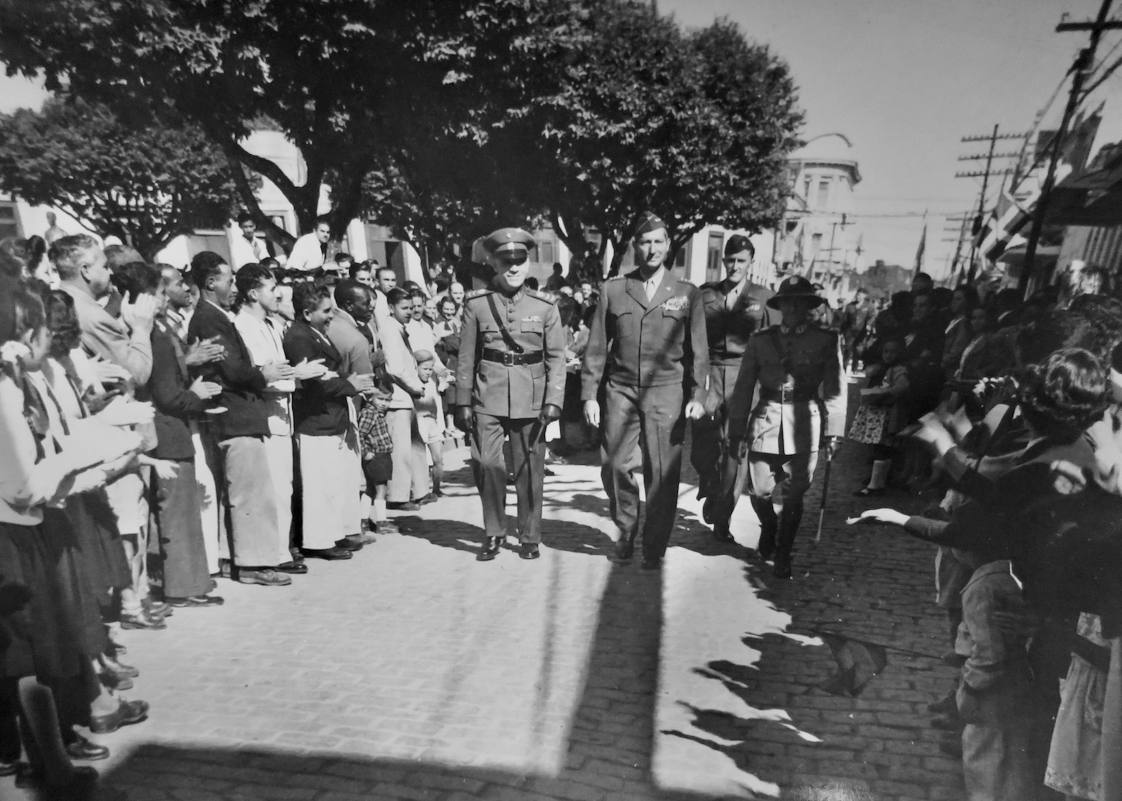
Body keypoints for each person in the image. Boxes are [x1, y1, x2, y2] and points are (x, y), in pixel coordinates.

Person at [581, 213, 708, 570]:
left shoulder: (687, 294)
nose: (651, 249)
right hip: (620, 389)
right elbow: (596, 347)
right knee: (613, 464)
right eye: (645, 242)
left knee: (661, 473)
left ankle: (653, 545)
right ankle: (626, 527)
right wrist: (589, 393)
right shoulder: (613, 290)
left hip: (666, 392)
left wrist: (699, 396)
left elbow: (700, 352)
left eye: (658, 241)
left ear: (669, 247)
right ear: (635, 246)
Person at [455, 228, 566, 561]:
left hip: (531, 396)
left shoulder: (545, 306)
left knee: (530, 468)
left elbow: (557, 357)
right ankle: (494, 531)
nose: (514, 268)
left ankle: (529, 535)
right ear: (494, 263)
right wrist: (462, 401)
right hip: (487, 394)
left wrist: (553, 400)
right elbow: (466, 356)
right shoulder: (477, 304)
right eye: (507, 262)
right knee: (485, 462)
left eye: (520, 261)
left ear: (528, 264)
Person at [726, 275, 846, 579]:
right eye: (787, 302)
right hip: (766, 420)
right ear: (780, 306)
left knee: (794, 495)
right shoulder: (761, 340)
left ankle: (783, 553)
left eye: (799, 302)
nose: (793, 307)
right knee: (759, 491)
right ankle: (769, 526)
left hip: (805, 422)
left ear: (808, 306)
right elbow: (743, 387)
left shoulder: (826, 339)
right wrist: (737, 429)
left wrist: (833, 432)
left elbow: (835, 388)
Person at [187, 252, 294, 587]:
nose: (233, 285)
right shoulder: (209, 319)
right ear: (211, 282)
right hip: (235, 414)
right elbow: (232, 368)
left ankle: (252, 559)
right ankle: (252, 564)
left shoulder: (216, 316)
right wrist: (262, 373)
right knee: (249, 494)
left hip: (242, 413)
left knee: (253, 491)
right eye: (229, 279)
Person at [692, 234, 775, 543]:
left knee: (735, 448)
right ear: (723, 260)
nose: (735, 266)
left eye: (742, 261)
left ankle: (723, 516)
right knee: (702, 442)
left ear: (750, 263)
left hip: (745, 376)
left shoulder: (764, 298)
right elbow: (692, 336)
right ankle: (710, 486)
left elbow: (771, 342)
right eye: (731, 260)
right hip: (710, 373)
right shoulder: (706, 294)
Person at [284, 283, 374, 559]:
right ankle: (319, 541)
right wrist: (349, 384)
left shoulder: (315, 333)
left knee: (331, 482)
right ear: (307, 312)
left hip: (330, 418)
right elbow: (317, 383)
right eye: (325, 311)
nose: (330, 316)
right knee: (318, 485)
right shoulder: (300, 337)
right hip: (314, 420)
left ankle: (334, 534)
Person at [233, 264, 314, 573]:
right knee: (275, 489)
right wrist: (297, 376)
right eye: (271, 288)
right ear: (253, 293)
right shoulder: (244, 326)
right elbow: (261, 374)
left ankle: (282, 548)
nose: (278, 293)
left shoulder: (269, 324)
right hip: (266, 416)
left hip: (282, 415)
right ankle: (276, 553)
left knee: (285, 487)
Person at [380, 287, 428, 511]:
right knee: (401, 451)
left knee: (415, 446)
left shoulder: (400, 328)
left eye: (411, 308)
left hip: (408, 397)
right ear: (391, 308)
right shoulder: (389, 330)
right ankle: (398, 496)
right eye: (404, 308)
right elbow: (395, 369)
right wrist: (416, 387)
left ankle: (420, 490)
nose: (409, 312)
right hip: (398, 397)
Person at [849, 337, 909, 496]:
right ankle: (878, 479)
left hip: (885, 413)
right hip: (876, 412)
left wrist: (884, 394)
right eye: (886, 352)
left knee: (882, 446)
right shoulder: (881, 367)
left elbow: (902, 387)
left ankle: (875, 485)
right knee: (877, 446)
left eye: (893, 352)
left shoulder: (899, 370)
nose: (889, 355)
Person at [357, 379, 397, 535]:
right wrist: (365, 451)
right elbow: (360, 434)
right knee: (381, 489)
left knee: (370, 489)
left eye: (387, 400)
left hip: (381, 454)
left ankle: (363, 521)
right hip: (377, 455)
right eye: (380, 399)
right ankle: (381, 522)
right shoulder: (369, 413)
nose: (384, 403)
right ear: (370, 397)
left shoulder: (377, 413)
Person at [413, 351, 448, 499]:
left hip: (432, 421)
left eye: (430, 369)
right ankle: (420, 493)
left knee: (438, 459)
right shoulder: (411, 381)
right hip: (418, 421)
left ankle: (437, 489)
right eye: (425, 369)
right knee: (419, 460)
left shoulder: (432, 381)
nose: (428, 372)